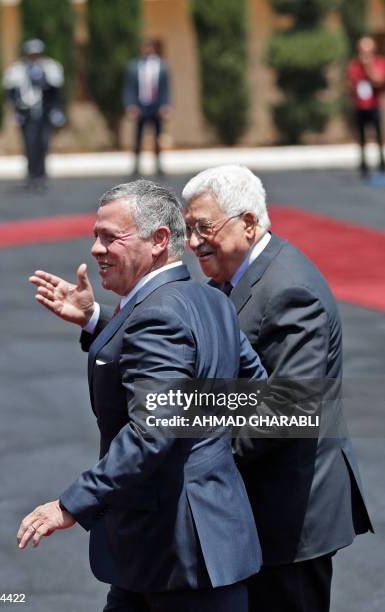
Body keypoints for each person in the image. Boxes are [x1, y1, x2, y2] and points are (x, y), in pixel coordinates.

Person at [18, 180, 267, 612]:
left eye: (110, 237)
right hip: (184, 549)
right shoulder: (209, 300)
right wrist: (97, 322)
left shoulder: (157, 314)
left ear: (159, 241)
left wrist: (71, 504)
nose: (96, 249)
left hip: (178, 553)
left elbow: (153, 430)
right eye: (96, 235)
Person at [181, 165, 373, 612]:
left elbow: (287, 411)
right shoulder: (237, 281)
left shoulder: (289, 290)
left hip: (291, 519)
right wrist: (98, 322)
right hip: (260, 512)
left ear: (248, 223)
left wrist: (203, 456)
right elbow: (185, 339)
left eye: (203, 227)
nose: (192, 242)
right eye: (187, 230)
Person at [3, 39, 64, 191]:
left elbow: (56, 91)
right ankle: (32, 176)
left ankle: (41, 176)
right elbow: (10, 92)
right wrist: (16, 110)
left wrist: (56, 110)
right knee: (30, 145)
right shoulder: (17, 69)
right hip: (26, 113)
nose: (34, 57)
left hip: (44, 112)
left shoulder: (51, 67)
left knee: (43, 144)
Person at [123, 39, 170, 176]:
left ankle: (159, 164)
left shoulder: (161, 65)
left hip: (156, 106)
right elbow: (129, 87)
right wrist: (130, 104)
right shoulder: (134, 65)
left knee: (158, 137)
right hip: (140, 106)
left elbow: (166, 88)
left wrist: (166, 105)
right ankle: (136, 165)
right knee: (138, 137)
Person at [347, 36, 385, 177]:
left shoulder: (380, 62)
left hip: (374, 105)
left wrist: (368, 67)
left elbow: (379, 80)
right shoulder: (354, 65)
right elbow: (350, 82)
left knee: (378, 136)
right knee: (361, 137)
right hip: (359, 106)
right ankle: (363, 165)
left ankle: (381, 163)